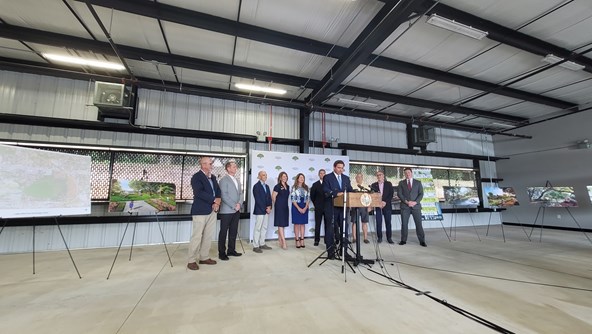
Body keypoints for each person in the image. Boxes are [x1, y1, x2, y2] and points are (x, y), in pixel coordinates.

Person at [187, 157, 221, 271]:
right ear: (201, 164)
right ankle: (191, 260)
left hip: (212, 210)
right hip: (200, 211)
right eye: (206, 163)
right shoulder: (196, 177)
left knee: (208, 235)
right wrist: (214, 200)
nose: (209, 165)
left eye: (210, 163)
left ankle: (204, 257)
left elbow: (218, 191)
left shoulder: (213, 177)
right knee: (197, 236)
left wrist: (217, 201)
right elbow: (199, 192)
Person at [323, 160, 353, 258]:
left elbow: (350, 190)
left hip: (343, 208)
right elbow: (325, 190)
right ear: (334, 167)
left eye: (342, 168)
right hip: (331, 207)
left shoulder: (346, 178)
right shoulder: (327, 177)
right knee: (330, 229)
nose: (341, 170)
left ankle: (344, 251)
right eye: (339, 167)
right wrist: (336, 194)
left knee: (344, 229)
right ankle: (331, 252)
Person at [217, 160, 243, 261]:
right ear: (228, 168)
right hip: (227, 211)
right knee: (223, 232)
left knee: (233, 231)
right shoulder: (224, 180)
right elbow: (224, 195)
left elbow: (241, 194)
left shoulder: (237, 180)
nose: (235, 168)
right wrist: (234, 205)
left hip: (236, 210)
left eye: (236, 167)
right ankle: (222, 253)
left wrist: (239, 204)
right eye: (233, 167)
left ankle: (231, 250)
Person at [397, 167, 426, 247]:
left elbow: (421, 194)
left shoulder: (418, 183)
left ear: (411, 173)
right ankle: (403, 240)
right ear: (404, 174)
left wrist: (415, 202)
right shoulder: (401, 183)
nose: (407, 174)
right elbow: (400, 194)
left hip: (416, 206)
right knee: (404, 224)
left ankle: (422, 241)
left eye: (408, 173)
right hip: (405, 206)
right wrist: (406, 202)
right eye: (405, 173)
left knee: (419, 224)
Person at [370, 171, 395, 244]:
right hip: (378, 206)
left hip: (387, 206)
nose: (379, 176)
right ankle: (379, 237)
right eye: (377, 175)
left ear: (383, 175)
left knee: (388, 222)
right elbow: (373, 196)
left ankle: (389, 238)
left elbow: (391, 194)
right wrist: (378, 203)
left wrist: (384, 202)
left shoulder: (388, 184)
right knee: (378, 222)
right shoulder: (374, 185)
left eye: (380, 175)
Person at [252, 170, 273, 254]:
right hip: (260, 210)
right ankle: (255, 246)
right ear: (259, 176)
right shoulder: (256, 186)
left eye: (266, 175)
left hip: (266, 210)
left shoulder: (267, 186)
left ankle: (262, 243)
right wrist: (265, 208)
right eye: (263, 175)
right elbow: (258, 200)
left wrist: (270, 207)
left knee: (264, 227)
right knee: (258, 228)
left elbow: (269, 198)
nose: (265, 176)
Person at [309, 169, 328, 246]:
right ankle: (316, 240)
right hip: (318, 207)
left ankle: (327, 240)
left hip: (327, 208)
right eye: (321, 173)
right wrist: (316, 204)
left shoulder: (328, 184)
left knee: (327, 224)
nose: (322, 175)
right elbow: (312, 196)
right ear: (318, 174)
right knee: (318, 224)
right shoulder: (315, 184)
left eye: (323, 173)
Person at [291, 173, 309, 249]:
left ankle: (302, 239)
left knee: (302, 224)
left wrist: (305, 208)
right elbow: (293, 199)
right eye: (300, 177)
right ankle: (297, 240)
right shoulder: (294, 187)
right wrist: (298, 208)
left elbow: (308, 198)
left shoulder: (306, 187)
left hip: (304, 206)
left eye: (303, 177)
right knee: (297, 224)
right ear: (297, 179)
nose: (302, 179)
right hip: (296, 206)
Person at [351, 173, 370, 244]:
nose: (359, 178)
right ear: (355, 178)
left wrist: (370, 206)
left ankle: (365, 238)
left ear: (362, 178)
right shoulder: (352, 185)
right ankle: (354, 238)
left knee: (364, 222)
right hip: (355, 206)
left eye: (360, 177)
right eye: (357, 177)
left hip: (364, 206)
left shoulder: (366, 186)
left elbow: (369, 197)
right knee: (354, 222)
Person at [272, 171, 290, 250]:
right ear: (280, 177)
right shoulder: (277, 186)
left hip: (285, 206)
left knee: (283, 224)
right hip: (279, 207)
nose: (285, 177)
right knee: (280, 224)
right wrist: (277, 205)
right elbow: (273, 196)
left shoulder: (288, 186)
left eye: (286, 176)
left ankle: (280, 241)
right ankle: (284, 241)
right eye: (283, 176)